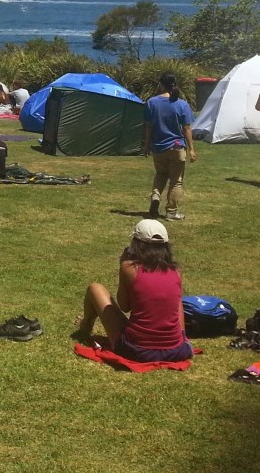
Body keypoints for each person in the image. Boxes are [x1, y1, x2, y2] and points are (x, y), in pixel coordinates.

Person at [72, 218, 193, 363]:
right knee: (175, 299)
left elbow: (124, 306)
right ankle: (180, 337)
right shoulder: (176, 271)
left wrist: (122, 263)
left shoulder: (129, 268)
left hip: (137, 350)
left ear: (136, 244)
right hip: (177, 351)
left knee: (95, 288)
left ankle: (85, 326)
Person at [143, 73, 196, 221]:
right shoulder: (181, 104)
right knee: (176, 180)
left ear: (161, 85)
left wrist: (147, 145)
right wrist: (191, 148)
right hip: (176, 147)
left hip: (158, 147)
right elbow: (186, 128)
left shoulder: (151, 103)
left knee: (160, 174)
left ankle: (155, 195)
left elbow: (148, 126)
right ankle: (171, 212)